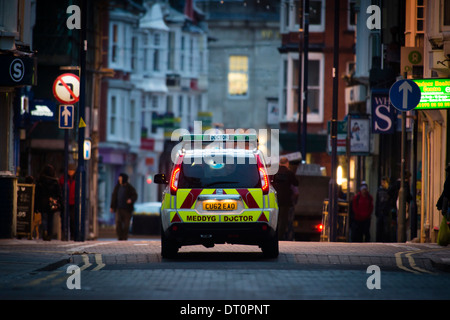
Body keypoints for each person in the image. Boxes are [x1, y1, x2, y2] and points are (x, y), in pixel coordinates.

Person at [272, 157, 299, 241]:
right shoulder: (289, 173)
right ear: (287, 163)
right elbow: (296, 183)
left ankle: (274, 235)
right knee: (283, 219)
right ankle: (280, 237)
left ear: (279, 163)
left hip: (275, 199)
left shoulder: (274, 172)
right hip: (286, 200)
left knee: (275, 218)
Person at [35, 164, 62, 241]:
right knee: (50, 219)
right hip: (51, 203)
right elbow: (58, 193)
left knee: (44, 218)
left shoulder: (41, 181)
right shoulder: (55, 182)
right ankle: (49, 234)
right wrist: (59, 202)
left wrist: (36, 205)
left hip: (43, 202)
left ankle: (44, 231)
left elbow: (37, 193)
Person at [110, 173, 138, 240]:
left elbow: (135, 195)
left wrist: (130, 200)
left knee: (126, 224)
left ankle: (124, 237)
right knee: (118, 223)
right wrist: (112, 206)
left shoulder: (130, 188)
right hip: (118, 208)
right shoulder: (117, 187)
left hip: (127, 209)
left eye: (120, 178)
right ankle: (120, 237)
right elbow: (114, 197)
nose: (119, 180)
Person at [59, 163, 76, 240]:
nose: (71, 172)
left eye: (72, 170)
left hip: (73, 202)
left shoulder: (77, 179)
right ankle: (64, 234)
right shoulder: (63, 179)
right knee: (64, 219)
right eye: (70, 170)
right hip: (65, 202)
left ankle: (73, 235)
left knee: (72, 220)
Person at [375, 176, 394, 242]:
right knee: (380, 227)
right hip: (380, 211)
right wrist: (377, 211)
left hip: (387, 212)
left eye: (384, 182)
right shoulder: (379, 190)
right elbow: (377, 201)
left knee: (386, 228)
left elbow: (391, 201)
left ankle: (386, 240)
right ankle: (379, 240)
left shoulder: (389, 190)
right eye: (382, 182)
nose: (383, 184)